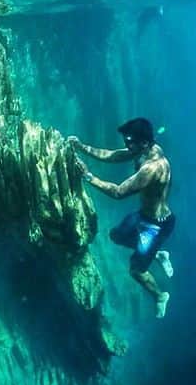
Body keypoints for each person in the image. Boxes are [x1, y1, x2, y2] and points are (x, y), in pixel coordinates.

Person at [68, 118, 175, 318]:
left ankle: (160, 296)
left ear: (143, 142)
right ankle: (158, 253)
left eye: (129, 141)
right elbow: (114, 156)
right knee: (116, 236)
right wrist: (82, 147)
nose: (126, 145)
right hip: (144, 216)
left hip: (156, 226)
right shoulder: (148, 149)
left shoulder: (152, 168)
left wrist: (88, 176)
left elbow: (118, 192)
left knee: (136, 271)